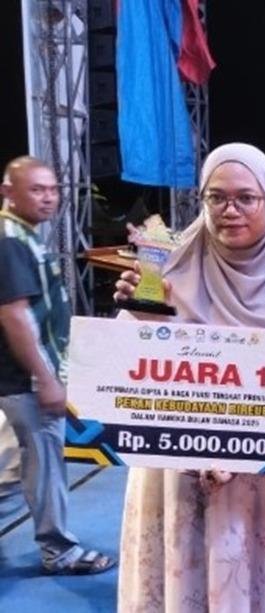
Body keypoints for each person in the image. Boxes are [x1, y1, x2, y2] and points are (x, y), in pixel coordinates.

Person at [112, 143, 265, 611]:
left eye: (245, 198)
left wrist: (242, 450)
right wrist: (142, 319)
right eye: (215, 197)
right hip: (175, 478)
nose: (229, 210)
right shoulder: (164, 270)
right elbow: (121, 381)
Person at [0, 156, 115, 574]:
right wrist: (45, 378)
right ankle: (59, 550)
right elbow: (14, 315)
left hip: (25, 378)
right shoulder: (10, 240)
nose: (48, 198)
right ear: (8, 193)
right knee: (44, 463)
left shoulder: (25, 236)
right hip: (27, 380)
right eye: (37, 189)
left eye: (52, 189)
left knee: (21, 464)